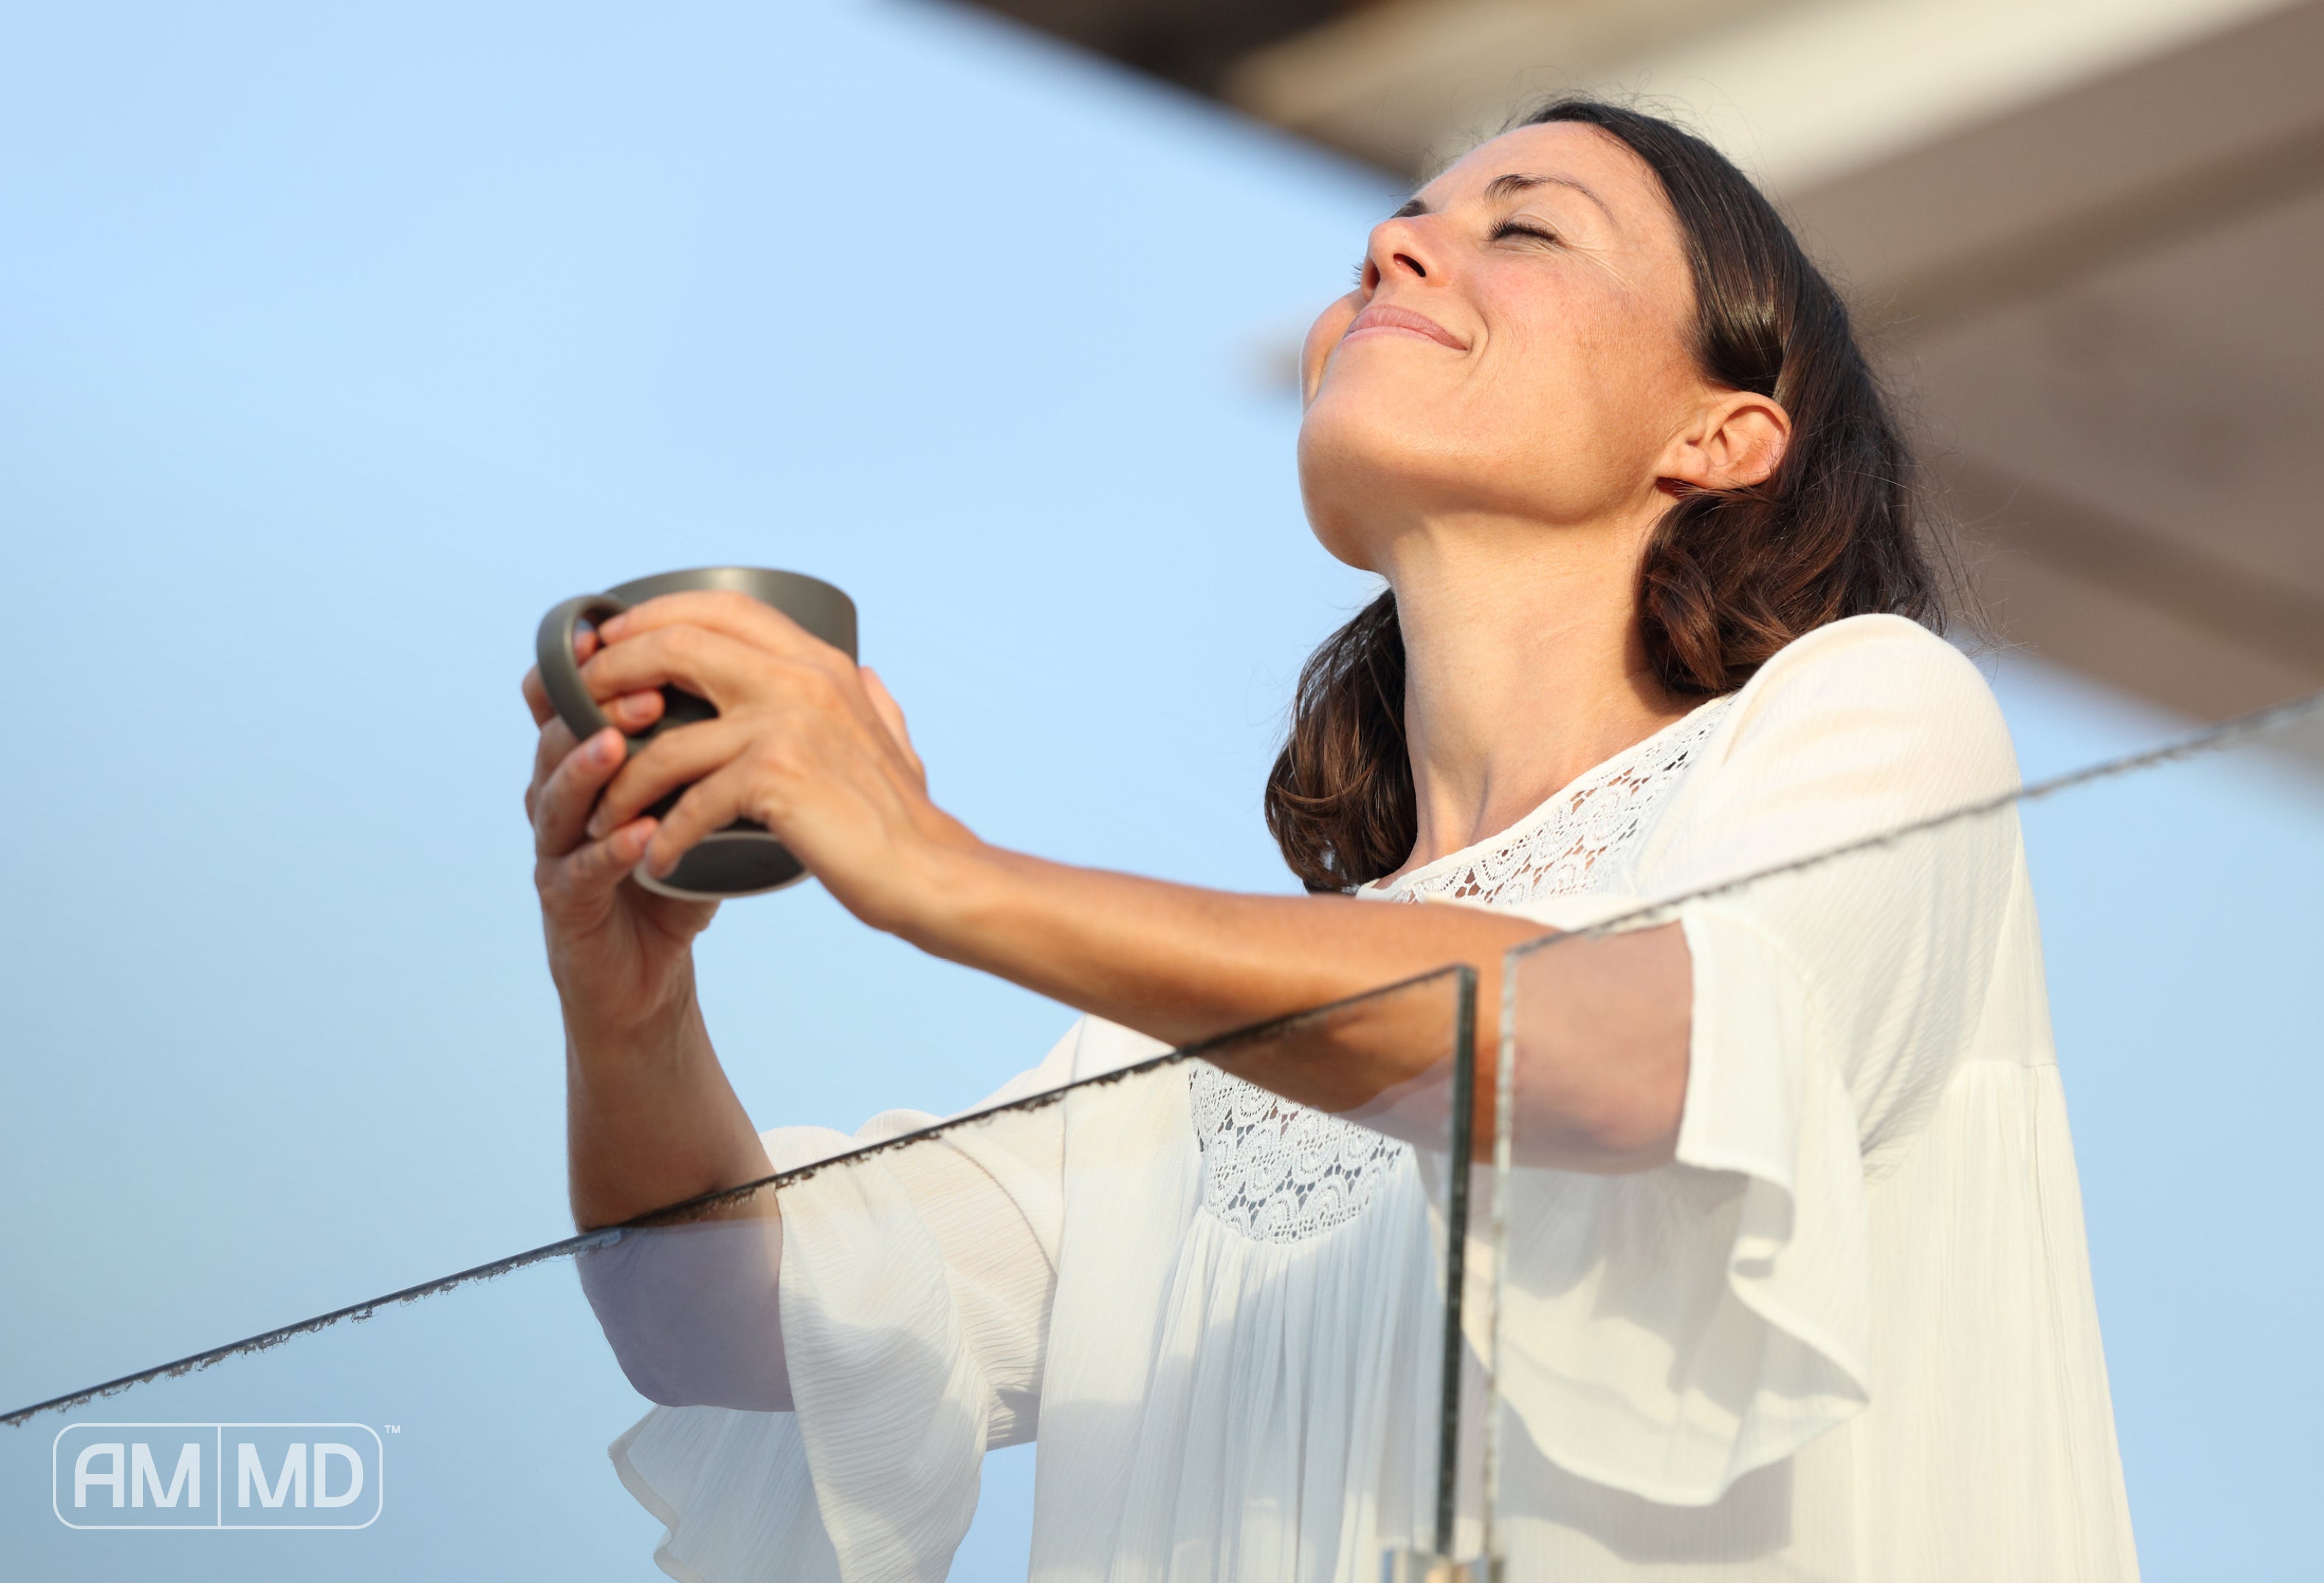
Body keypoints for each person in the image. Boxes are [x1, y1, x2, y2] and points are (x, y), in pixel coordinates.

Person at [524, 99, 2140, 1582]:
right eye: (1398, 221)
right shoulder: (1162, 1065)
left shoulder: (1867, 717)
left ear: (1720, 435)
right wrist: (627, 999)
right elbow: (711, 1320)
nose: (1393, 248)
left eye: (1526, 225)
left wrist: (937, 868)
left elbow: (1648, 1050)